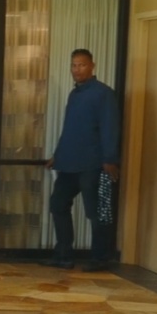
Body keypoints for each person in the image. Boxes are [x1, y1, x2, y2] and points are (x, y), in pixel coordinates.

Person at [40, 48, 120, 272]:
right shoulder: (74, 94)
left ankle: (100, 258)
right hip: (68, 163)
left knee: (96, 212)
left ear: (92, 66)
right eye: (74, 65)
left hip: (94, 164)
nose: (77, 69)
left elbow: (110, 127)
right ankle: (63, 255)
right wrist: (57, 155)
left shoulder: (104, 93)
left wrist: (110, 159)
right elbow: (71, 129)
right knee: (58, 204)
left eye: (82, 65)